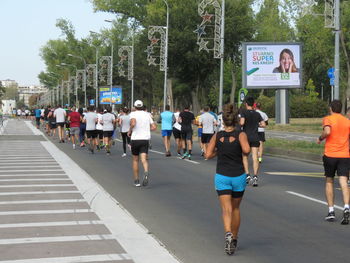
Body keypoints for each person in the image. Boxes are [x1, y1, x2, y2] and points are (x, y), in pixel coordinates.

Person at [206, 104, 250, 255]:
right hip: (238, 176)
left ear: (223, 122)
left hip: (222, 176)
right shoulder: (241, 135)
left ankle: (228, 233)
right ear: (236, 120)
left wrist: (219, 151)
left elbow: (207, 154)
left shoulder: (217, 136)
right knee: (236, 208)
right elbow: (247, 150)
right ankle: (235, 238)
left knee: (226, 209)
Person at [317, 100, 350, 224]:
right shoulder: (347, 121)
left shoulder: (328, 119)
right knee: (344, 182)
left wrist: (320, 138)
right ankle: (346, 207)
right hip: (345, 155)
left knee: (329, 180)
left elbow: (327, 132)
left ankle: (331, 211)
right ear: (341, 109)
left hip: (330, 155)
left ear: (330, 108)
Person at [128, 100, 156, 187]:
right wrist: (146, 129)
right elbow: (154, 127)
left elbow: (133, 123)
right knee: (144, 159)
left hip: (135, 139)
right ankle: (146, 172)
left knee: (135, 160)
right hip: (145, 139)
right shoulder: (147, 114)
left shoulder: (133, 114)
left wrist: (130, 130)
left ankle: (136, 180)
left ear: (135, 106)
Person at [239, 97, 266, 187]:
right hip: (255, 137)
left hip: (246, 138)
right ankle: (255, 176)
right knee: (255, 157)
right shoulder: (257, 114)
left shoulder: (243, 112)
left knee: (245, 156)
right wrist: (257, 124)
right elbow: (264, 124)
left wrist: (238, 124)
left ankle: (247, 175)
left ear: (246, 104)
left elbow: (242, 123)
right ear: (253, 104)